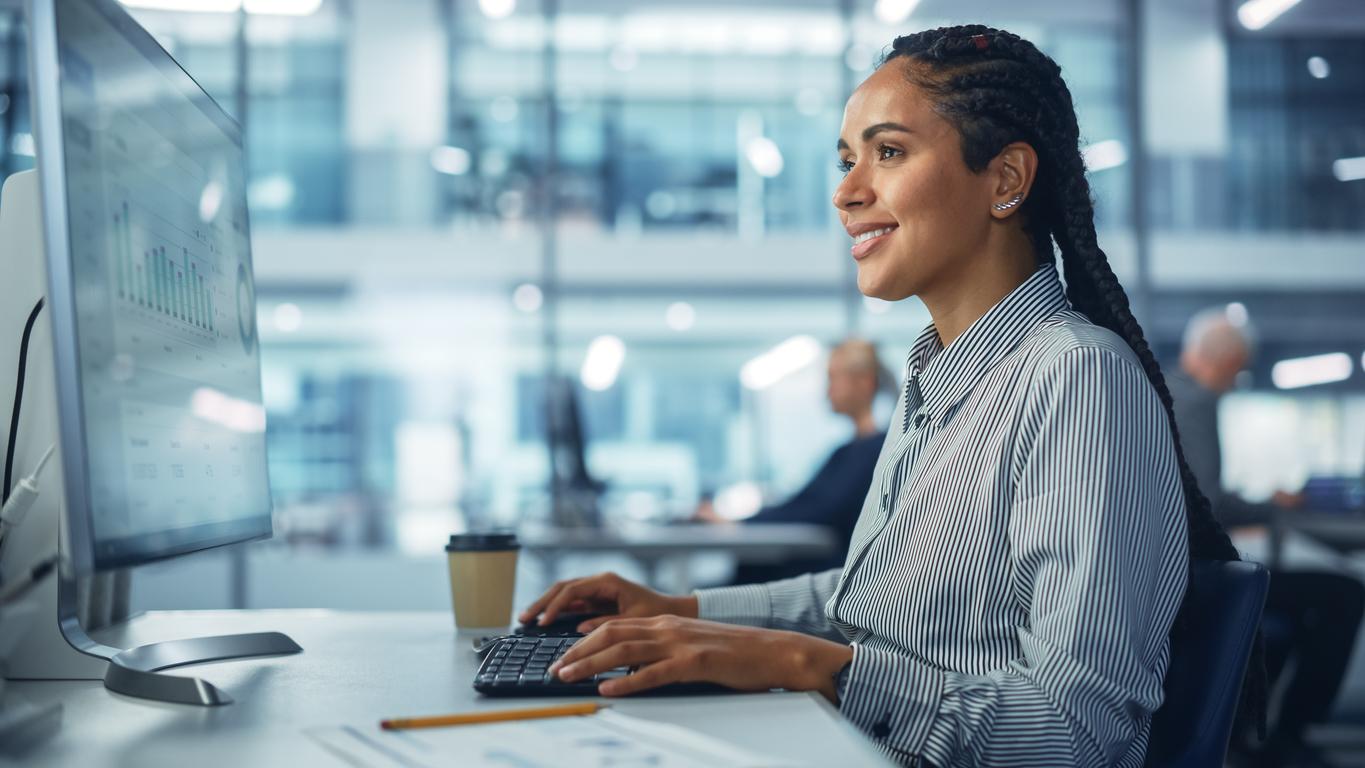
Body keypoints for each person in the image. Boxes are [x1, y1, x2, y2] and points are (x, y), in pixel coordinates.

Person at [519, 26, 1243, 766]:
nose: (845, 192)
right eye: (845, 160)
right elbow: (867, 607)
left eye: (887, 152)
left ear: (1004, 181)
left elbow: (1074, 732)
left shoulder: (1077, 380)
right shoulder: (938, 377)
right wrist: (682, 613)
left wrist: (808, 666)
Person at [1169, 307, 1365, 768]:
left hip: (1174, 573)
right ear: (1223, 362)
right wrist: (1275, 507)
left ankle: (1248, 733)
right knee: (1344, 594)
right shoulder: (1194, 400)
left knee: (1294, 603)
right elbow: (1210, 503)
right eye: (1236, 371)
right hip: (1192, 578)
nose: (1234, 381)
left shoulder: (1167, 391)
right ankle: (1289, 734)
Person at [695, 338, 888, 581]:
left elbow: (817, 511)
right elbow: (802, 504)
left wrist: (739, 525)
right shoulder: (847, 452)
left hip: (833, 576)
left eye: (833, 378)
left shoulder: (873, 453)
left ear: (864, 382)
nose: (827, 390)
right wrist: (738, 522)